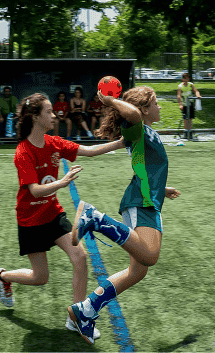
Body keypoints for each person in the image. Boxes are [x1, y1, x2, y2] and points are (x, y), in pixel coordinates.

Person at [0, 93, 125, 340]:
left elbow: (88, 151)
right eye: (48, 111)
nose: (54, 114)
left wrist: (120, 143)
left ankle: (75, 317)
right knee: (40, 277)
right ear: (35, 117)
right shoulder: (23, 151)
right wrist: (62, 182)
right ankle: (2, 276)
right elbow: (34, 189)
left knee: (80, 257)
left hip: (52, 214)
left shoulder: (54, 142)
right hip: (30, 220)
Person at [67, 86, 181, 345]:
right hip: (142, 201)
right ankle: (94, 218)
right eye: (155, 102)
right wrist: (109, 100)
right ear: (143, 109)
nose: (160, 107)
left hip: (147, 198)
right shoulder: (137, 126)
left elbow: (140, 163)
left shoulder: (142, 133)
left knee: (137, 271)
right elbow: (133, 116)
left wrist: (163, 188)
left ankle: (86, 310)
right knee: (150, 256)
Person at [177, 73, 202, 140]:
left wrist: (198, 95)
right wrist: (180, 104)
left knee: (190, 118)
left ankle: (190, 132)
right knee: (185, 118)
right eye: (184, 78)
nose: (186, 80)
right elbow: (179, 96)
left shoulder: (191, 85)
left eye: (187, 78)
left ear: (189, 79)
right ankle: (185, 132)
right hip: (184, 103)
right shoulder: (180, 86)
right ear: (182, 79)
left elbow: (196, 91)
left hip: (190, 103)